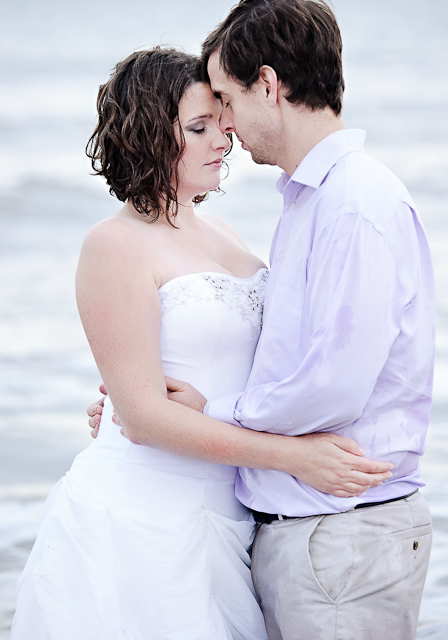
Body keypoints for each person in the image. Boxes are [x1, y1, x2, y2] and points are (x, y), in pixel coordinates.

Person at [11, 47, 392, 640]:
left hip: (231, 513)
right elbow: (141, 417)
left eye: (222, 119)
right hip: (143, 518)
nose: (225, 139)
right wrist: (297, 457)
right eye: (199, 127)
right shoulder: (114, 244)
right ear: (146, 136)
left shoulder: (220, 228)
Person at [100, 0, 435, 640]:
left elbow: (333, 387)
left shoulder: (351, 203)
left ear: (268, 85)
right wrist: (136, 390)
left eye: (223, 100)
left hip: (337, 530)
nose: (224, 125)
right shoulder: (308, 201)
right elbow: (263, 348)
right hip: (297, 531)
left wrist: (206, 411)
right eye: (203, 118)